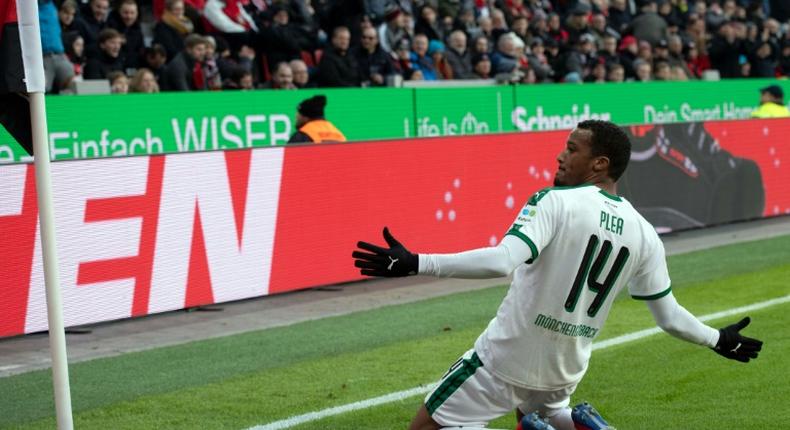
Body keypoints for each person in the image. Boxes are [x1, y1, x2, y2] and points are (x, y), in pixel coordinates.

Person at [352, 120, 762, 430]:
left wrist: (416, 263)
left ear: (599, 163)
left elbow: (501, 261)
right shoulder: (644, 232)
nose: (560, 156)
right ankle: (578, 424)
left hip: (506, 357)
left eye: (571, 149)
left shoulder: (554, 202)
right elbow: (669, 316)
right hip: (565, 368)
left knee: (425, 427)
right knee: (542, 413)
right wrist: (717, 339)